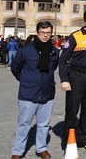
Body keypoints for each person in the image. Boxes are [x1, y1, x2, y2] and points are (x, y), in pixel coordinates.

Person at [10, 22, 58, 159]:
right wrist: (25, 80)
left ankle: (41, 148)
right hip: (28, 93)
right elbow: (15, 67)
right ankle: (17, 151)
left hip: (47, 92)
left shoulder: (54, 51)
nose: (45, 35)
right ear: (37, 32)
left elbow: (53, 68)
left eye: (48, 33)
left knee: (43, 124)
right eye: (43, 33)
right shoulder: (25, 50)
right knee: (24, 124)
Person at [59, 9, 86, 150]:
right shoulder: (75, 36)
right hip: (76, 77)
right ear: (84, 19)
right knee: (72, 110)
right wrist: (64, 79)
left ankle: (84, 139)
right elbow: (63, 59)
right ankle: (68, 141)